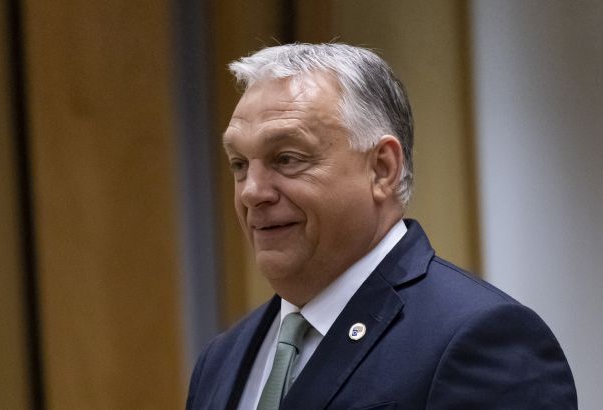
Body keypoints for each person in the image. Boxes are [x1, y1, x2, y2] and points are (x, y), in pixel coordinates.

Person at [186, 43, 577, 409]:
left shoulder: (482, 338)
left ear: (382, 169)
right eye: (239, 164)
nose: (252, 192)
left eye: (287, 158)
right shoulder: (221, 360)